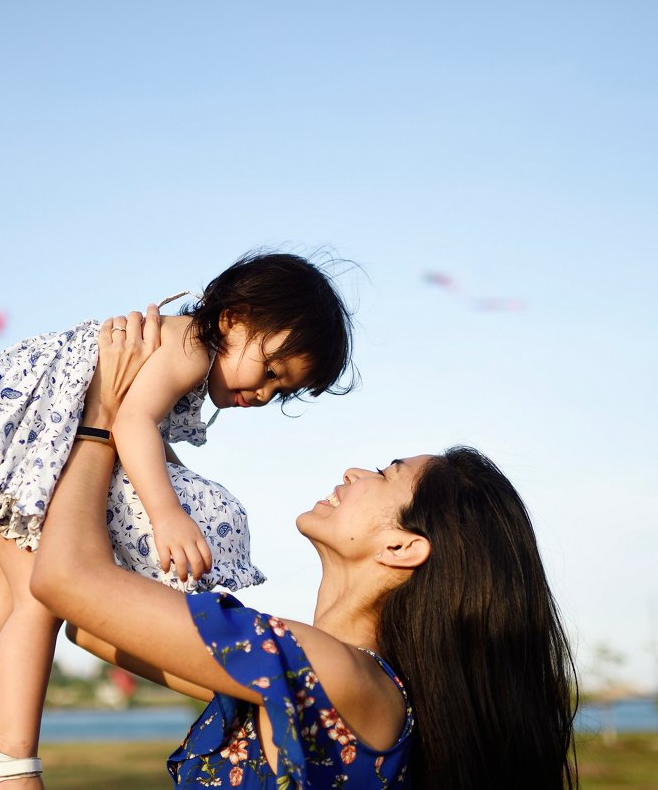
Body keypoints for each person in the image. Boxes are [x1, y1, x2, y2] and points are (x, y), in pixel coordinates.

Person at [0, 253, 355, 790]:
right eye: (270, 372)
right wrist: (166, 513)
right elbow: (132, 421)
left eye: (279, 391)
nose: (262, 395)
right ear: (235, 318)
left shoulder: (176, 346)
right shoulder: (190, 345)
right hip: (28, 456)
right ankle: (9, 757)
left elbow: (137, 429)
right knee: (36, 604)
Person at [31, 308, 579, 789]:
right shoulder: (300, 673)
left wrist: (103, 412)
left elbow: (66, 580)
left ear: (401, 546)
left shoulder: (333, 672)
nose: (356, 471)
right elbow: (93, 625)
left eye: (387, 474)